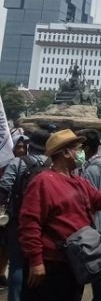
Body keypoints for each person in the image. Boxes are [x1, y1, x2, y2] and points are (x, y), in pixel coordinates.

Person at [19, 129, 101, 301]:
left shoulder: (78, 181)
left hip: (74, 261)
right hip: (51, 263)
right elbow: (29, 224)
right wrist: (36, 262)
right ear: (65, 152)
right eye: (78, 148)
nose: (82, 153)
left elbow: (100, 201)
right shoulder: (43, 181)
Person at [0, 129, 50, 301]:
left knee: (17, 265)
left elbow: (4, 188)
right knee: (43, 263)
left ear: (30, 145)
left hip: (19, 222)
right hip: (46, 223)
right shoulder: (52, 164)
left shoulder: (17, 163)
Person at [78, 129, 101, 301]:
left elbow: (88, 200)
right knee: (97, 265)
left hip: (93, 224)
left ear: (85, 148)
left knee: (87, 264)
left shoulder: (91, 171)